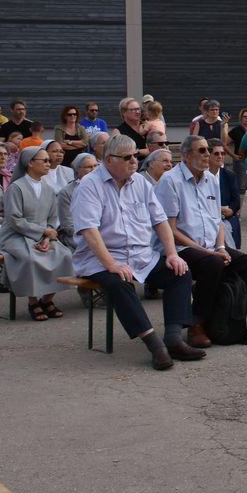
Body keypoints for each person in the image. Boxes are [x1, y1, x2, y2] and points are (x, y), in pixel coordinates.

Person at [71, 133, 204, 370]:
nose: (134, 160)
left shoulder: (140, 182)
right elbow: (89, 231)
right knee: (118, 282)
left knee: (180, 272)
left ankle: (173, 339)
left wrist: (172, 254)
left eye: (135, 155)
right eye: (127, 157)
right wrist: (111, 264)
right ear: (109, 160)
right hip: (101, 257)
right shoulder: (89, 185)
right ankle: (154, 344)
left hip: (141, 255)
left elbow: (161, 222)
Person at [156, 135, 247, 347]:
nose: (207, 155)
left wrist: (221, 247)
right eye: (202, 151)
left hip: (211, 245)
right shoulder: (170, 181)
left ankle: (225, 313)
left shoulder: (211, 179)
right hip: (182, 246)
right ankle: (197, 323)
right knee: (213, 263)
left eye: (208, 150)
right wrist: (207, 252)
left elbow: (218, 220)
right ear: (186, 156)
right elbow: (169, 229)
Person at [0, 144, 75, 322]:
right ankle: (32, 301)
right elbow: (14, 219)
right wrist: (42, 232)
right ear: (30, 163)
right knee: (31, 258)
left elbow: (53, 218)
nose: (49, 163)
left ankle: (47, 300)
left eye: (49, 160)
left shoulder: (48, 189)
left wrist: (47, 237)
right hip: (16, 235)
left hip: (43, 234)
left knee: (65, 255)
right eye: (44, 160)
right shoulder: (16, 187)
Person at [58, 152, 99, 250]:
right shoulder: (66, 192)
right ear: (78, 169)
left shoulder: (103, 187)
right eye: (88, 167)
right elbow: (67, 224)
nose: (93, 170)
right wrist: (89, 233)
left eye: (95, 166)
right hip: (78, 234)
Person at [207, 139, 242, 250]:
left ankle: (230, 254)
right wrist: (219, 208)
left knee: (227, 226)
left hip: (227, 216)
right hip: (208, 217)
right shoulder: (200, 175)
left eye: (223, 153)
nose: (220, 156)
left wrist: (231, 210)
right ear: (208, 155)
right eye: (216, 153)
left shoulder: (229, 175)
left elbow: (236, 201)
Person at [227, 108, 247, 193]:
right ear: (241, 118)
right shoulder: (236, 130)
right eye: (245, 116)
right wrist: (233, 155)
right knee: (241, 187)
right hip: (241, 162)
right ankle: (238, 206)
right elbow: (224, 144)